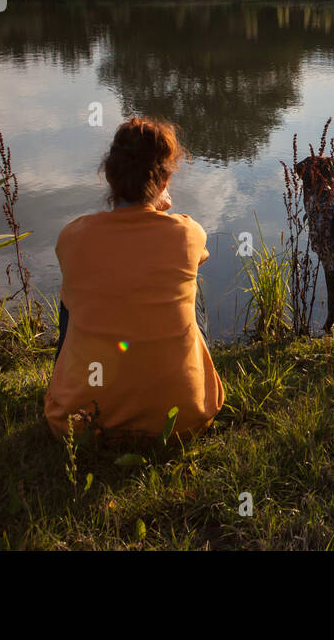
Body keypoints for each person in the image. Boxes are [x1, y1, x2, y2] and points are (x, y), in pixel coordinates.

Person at [45, 117, 223, 442]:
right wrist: (159, 208)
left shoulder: (74, 236)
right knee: (191, 283)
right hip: (183, 417)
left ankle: (72, 386)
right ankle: (182, 379)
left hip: (78, 423)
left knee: (76, 287)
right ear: (165, 178)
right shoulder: (187, 234)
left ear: (109, 176)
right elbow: (173, 256)